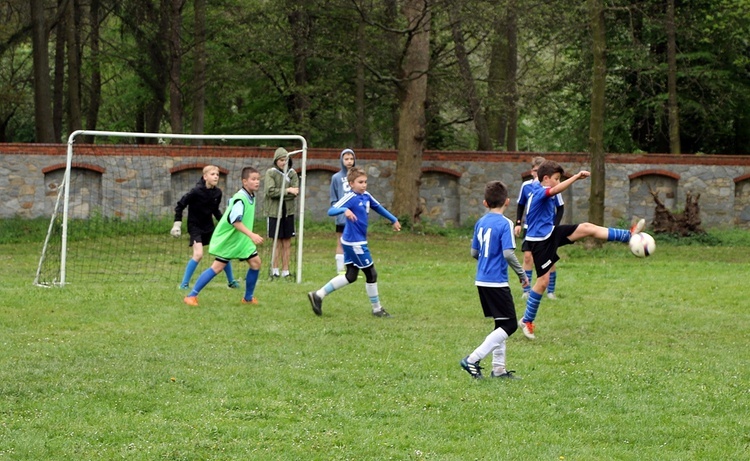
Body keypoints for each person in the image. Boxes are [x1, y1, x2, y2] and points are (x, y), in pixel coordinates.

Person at [518, 160, 645, 339]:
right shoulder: (539, 191)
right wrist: (576, 177)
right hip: (539, 242)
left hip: (550, 233)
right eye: (556, 178)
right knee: (543, 282)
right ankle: (526, 320)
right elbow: (554, 190)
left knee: (586, 228)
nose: (558, 181)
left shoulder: (544, 189)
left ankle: (628, 235)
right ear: (545, 178)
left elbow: (555, 196)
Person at [307, 166, 401, 317]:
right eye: (360, 182)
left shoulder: (366, 195)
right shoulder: (350, 197)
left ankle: (318, 295)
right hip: (354, 243)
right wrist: (344, 210)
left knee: (350, 275)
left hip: (356, 241)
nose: (364, 185)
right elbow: (331, 210)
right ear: (351, 184)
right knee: (371, 274)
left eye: (365, 182)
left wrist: (393, 219)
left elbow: (379, 208)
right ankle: (377, 309)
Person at [460, 181, 529, 380]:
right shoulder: (505, 223)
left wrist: (486, 261)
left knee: (500, 323)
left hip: (481, 279)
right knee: (510, 325)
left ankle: (498, 369)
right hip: (497, 281)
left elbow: (474, 252)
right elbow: (508, 254)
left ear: (485, 202)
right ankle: (472, 359)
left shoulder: (480, 222)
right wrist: (522, 275)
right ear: (507, 202)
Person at [183, 166, 264, 306]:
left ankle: (248, 298)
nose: (257, 182)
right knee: (217, 267)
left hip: (241, 240)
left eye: (258, 179)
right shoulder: (240, 198)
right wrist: (252, 235)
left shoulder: (250, 195)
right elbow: (235, 221)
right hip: (230, 240)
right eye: (253, 179)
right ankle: (191, 296)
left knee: (256, 263)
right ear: (245, 181)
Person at [171, 165, 239, 290]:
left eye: (217, 174)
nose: (216, 177)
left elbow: (215, 211)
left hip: (209, 227)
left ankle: (231, 281)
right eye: (212, 174)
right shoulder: (196, 191)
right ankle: (184, 284)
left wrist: (228, 223)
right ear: (205, 176)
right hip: (195, 227)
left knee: (223, 252)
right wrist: (177, 224)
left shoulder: (218, 193)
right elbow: (180, 205)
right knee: (198, 254)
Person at [514, 157, 563, 300]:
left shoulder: (553, 188)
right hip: (530, 229)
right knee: (528, 257)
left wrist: (555, 226)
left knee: (549, 260)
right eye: (535, 170)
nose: (537, 173)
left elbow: (560, 208)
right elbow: (521, 205)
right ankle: (526, 290)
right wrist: (518, 223)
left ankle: (550, 291)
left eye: (539, 170)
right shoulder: (526, 186)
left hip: (546, 231)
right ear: (532, 171)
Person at [263, 147, 299, 279]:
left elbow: (295, 192)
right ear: (276, 161)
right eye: (281, 160)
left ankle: (286, 269)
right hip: (274, 212)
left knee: (287, 241)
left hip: (288, 212)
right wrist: (287, 191)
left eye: (286, 160)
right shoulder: (270, 173)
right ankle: (274, 268)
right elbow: (270, 191)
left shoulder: (292, 173)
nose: (284, 162)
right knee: (276, 241)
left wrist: (288, 192)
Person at [330, 148, 356, 274]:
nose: (349, 161)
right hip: (342, 217)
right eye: (346, 159)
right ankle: (340, 270)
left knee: (354, 243)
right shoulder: (336, 178)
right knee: (340, 241)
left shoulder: (358, 177)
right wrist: (339, 211)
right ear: (341, 160)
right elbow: (333, 199)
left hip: (356, 216)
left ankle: (352, 269)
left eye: (351, 159)